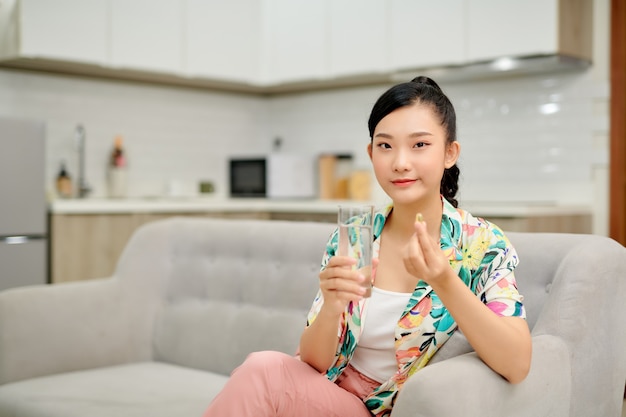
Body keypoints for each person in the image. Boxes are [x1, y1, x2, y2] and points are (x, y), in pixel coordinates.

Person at [203, 76, 532, 417]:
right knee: (263, 371)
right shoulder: (356, 235)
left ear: (450, 153)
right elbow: (315, 363)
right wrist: (331, 305)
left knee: (262, 372)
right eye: (385, 146)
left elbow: (517, 363)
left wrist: (444, 280)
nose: (400, 162)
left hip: (385, 410)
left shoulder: (481, 243)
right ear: (371, 152)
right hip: (330, 397)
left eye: (419, 145)